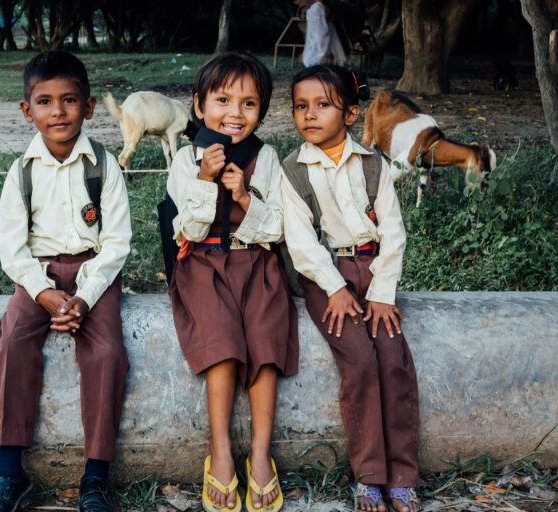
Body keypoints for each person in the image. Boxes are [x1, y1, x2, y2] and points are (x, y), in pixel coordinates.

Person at [0, 50, 132, 512]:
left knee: (107, 353)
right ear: (28, 111)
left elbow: (117, 243)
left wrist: (83, 299)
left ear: (88, 107)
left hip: (93, 271)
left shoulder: (104, 165)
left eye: (69, 101)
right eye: (44, 102)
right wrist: (43, 293)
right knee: (11, 343)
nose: (58, 111)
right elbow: (12, 245)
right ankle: (9, 474)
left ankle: (95, 478)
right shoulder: (21, 170)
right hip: (38, 273)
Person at [280, 64, 421, 512]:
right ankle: (369, 475)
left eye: (323, 105)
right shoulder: (292, 171)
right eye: (301, 106)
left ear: (352, 114)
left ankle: (402, 474)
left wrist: (382, 293)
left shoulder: (374, 165)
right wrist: (335, 287)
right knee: (359, 361)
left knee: (393, 359)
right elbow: (301, 243)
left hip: (374, 268)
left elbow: (393, 233)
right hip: (326, 276)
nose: (310, 115)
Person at [166, 51, 298, 512]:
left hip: (257, 264)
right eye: (222, 100)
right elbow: (188, 229)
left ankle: (260, 455)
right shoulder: (186, 158)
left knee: (265, 341)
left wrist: (243, 194)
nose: (234, 113)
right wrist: (205, 180)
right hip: (202, 264)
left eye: (248, 103)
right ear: (200, 106)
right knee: (221, 341)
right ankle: (220, 450)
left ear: (261, 111)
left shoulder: (268, 157)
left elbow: (277, 228)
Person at [295, 0, 347, 66]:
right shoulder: (317, 9)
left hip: (317, 61)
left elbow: (320, 37)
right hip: (320, 59)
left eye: (299, 2)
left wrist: (312, 58)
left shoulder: (316, 9)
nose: (299, 4)